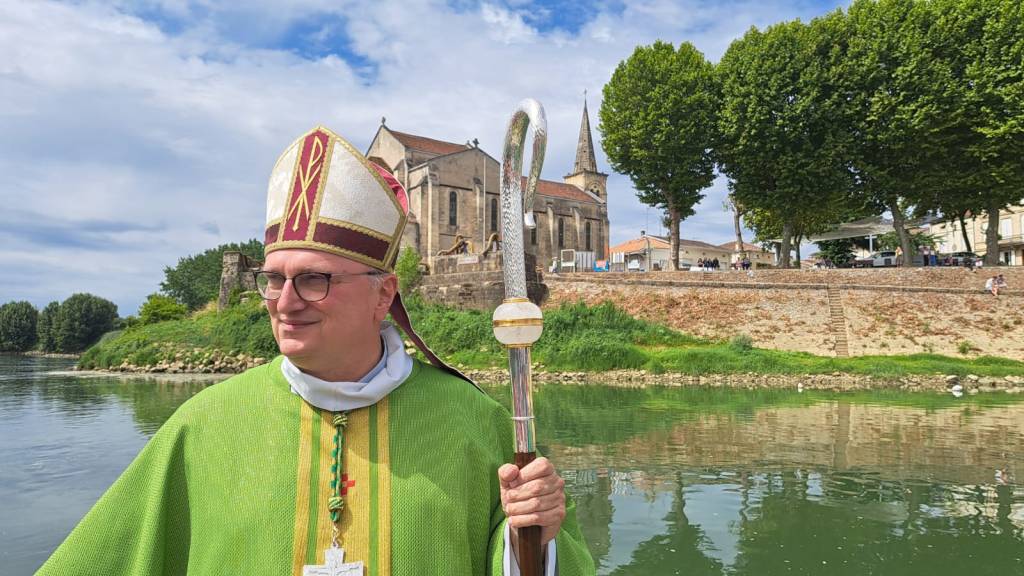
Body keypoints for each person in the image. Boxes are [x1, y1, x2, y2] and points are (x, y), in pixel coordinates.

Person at [37, 126, 594, 575]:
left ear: (384, 294)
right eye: (273, 279)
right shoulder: (202, 427)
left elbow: (528, 560)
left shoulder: (476, 423)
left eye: (314, 279)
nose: (285, 302)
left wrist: (535, 539)